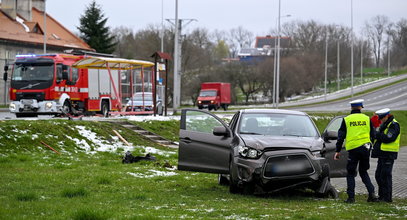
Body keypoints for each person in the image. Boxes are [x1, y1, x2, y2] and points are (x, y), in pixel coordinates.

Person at [334, 99, 378, 203]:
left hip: (353, 150)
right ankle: (372, 194)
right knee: (363, 172)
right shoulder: (367, 119)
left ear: (351, 108)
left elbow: (341, 136)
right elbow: (373, 135)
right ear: (361, 107)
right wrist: (370, 144)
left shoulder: (347, 119)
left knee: (350, 173)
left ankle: (351, 198)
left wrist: (337, 150)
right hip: (365, 149)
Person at [371, 108, 401, 203]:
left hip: (389, 154)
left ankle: (387, 198)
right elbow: (380, 135)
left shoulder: (393, 125)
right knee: (378, 175)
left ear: (387, 116)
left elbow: (389, 138)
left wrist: (377, 134)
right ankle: (382, 196)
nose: (380, 120)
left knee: (385, 176)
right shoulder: (385, 124)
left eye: (382, 118)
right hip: (382, 154)